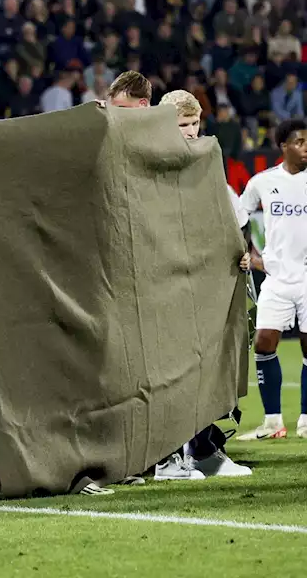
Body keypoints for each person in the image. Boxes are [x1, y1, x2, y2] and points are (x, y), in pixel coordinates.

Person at [150, 91, 253, 479]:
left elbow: (236, 219)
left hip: (206, 286)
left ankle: (204, 450)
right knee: (171, 372)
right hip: (165, 285)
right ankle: (166, 457)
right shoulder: (153, 170)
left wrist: (241, 251)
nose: (191, 132)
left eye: (194, 124)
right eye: (182, 126)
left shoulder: (210, 166)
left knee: (209, 368)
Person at [237, 117, 307, 443]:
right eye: (299, 142)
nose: (305, 148)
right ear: (283, 146)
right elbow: (239, 217)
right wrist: (250, 254)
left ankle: (306, 421)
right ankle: (272, 422)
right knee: (263, 343)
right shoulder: (262, 182)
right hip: (276, 278)